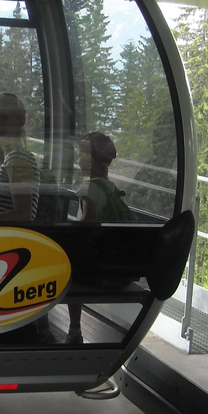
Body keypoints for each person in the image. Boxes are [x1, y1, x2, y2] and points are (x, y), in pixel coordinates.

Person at [68, 131, 120, 341]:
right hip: (108, 262)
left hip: (91, 267)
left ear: (92, 159)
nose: (77, 161)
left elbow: (86, 223)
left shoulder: (89, 188)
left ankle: (74, 328)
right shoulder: (112, 188)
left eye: (80, 156)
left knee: (67, 265)